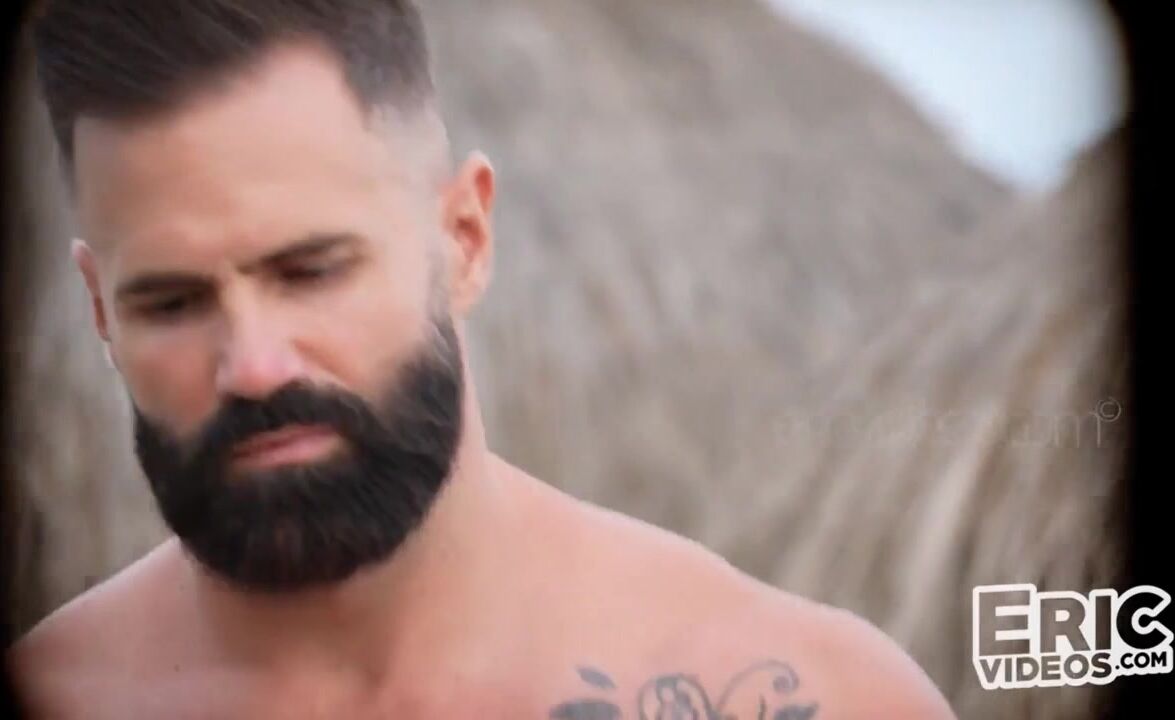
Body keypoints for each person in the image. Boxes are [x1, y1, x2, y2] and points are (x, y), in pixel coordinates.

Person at [7, 2, 957, 717]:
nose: (252, 367)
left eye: (310, 272)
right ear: (99, 310)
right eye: (171, 302)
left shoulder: (802, 692)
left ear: (463, 238)